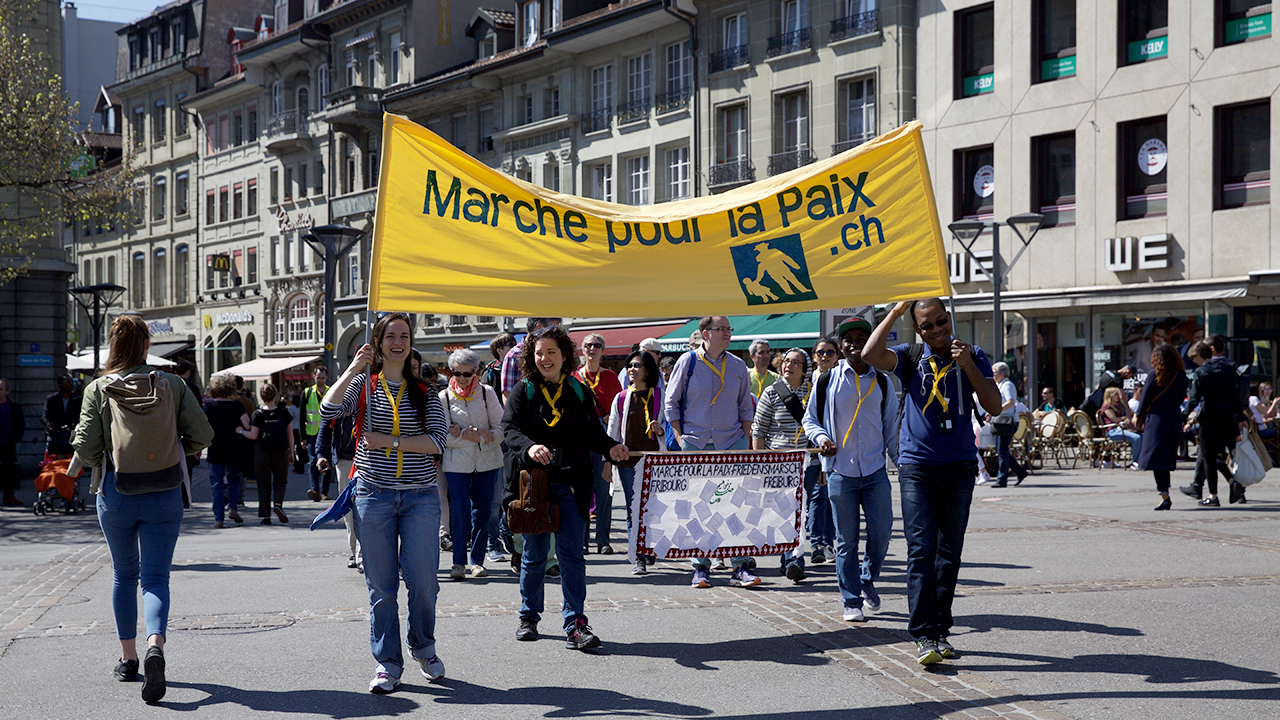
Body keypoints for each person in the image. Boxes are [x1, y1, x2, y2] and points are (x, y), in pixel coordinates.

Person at [71, 315, 213, 703]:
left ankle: (128, 658)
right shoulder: (173, 384)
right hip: (165, 491)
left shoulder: (98, 388)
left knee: (123, 576)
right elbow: (203, 434)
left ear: (113, 345)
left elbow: (84, 449)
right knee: (155, 578)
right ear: (147, 345)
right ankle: (155, 645)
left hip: (116, 492)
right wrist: (167, 450)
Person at [862, 298, 1002, 666]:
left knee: (949, 553)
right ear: (917, 328)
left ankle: (941, 630)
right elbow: (870, 354)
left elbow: (995, 405)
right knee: (921, 550)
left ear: (949, 318)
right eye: (927, 325)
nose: (937, 330)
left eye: (942, 321)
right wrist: (893, 311)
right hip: (917, 467)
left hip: (958, 467)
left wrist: (967, 363)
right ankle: (924, 634)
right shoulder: (910, 356)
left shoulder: (972, 353)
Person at [322, 312, 450, 693]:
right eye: (390, 336)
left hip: (419, 496)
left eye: (404, 335)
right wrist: (350, 370)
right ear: (377, 343)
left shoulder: (424, 391)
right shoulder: (364, 385)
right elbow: (328, 411)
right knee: (381, 587)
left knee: (424, 580)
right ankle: (388, 663)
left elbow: (437, 443)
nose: (398, 342)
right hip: (373, 494)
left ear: (411, 343)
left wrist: (390, 442)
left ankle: (423, 647)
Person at [502, 326, 628, 650]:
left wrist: (612, 447)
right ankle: (528, 616)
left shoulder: (578, 390)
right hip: (535, 486)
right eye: (539, 353)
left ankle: (575, 624)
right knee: (534, 555)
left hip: (571, 484)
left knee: (572, 556)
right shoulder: (524, 390)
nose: (545, 359)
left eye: (551, 353)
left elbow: (594, 434)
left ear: (564, 356)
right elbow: (509, 429)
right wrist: (529, 447)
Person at [803, 320, 899, 621]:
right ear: (840, 346)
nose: (855, 343)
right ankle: (851, 599)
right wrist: (822, 439)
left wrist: (903, 466)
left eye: (862, 338)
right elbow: (810, 420)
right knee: (846, 540)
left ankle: (867, 578)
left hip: (874, 470)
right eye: (848, 339)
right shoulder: (827, 380)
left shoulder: (883, 382)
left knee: (882, 533)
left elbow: (892, 429)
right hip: (840, 471)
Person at [663, 316, 758, 589]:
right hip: (696, 443)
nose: (727, 333)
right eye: (722, 329)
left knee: (735, 506)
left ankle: (740, 565)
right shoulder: (688, 361)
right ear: (706, 333)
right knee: (698, 508)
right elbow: (671, 402)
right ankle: (701, 567)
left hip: (731, 443)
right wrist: (681, 438)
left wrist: (745, 436)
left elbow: (745, 406)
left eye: (729, 329)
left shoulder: (738, 365)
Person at [751, 348, 815, 581]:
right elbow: (759, 429)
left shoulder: (814, 391)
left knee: (801, 511)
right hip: (778, 461)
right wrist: (760, 463)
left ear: (805, 369)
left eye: (795, 362)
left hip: (808, 461)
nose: (789, 365)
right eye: (786, 361)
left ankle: (790, 558)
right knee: (786, 511)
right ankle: (793, 559)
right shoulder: (771, 392)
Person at [440, 349, 504, 580]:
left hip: (487, 462)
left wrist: (481, 436)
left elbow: (502, 430)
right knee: (459, 512)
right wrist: (462, 436)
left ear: (476, 371)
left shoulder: (487, 394)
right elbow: (440, 437)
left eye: (467, 373)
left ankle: (477, 561)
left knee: (483, 512)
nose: (462, 378)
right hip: (456, 465)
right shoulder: (444, 397)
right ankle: (458, 562)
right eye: (456, 373)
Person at [606, 350, 664, 574]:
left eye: (637, 365)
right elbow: (612, 431)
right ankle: (637, 556)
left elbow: (669, 425)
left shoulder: (659, 394)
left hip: (653, 461)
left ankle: (647, 548)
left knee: (650, 508)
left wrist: (660, 431)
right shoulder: (621, 397)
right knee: (633, 508)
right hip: (627, 460)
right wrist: (607, 462)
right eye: (630, 365)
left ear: (648, 370)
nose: (632, 369)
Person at [1180, 336, 1247, 506]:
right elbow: (1235, 395)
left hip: (1209, 418)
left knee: (1209, 458)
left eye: (1194, 358)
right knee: (1229, 455)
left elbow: (1194, 399)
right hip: (1228, 418)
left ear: (1200, 355)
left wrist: (1183, 417)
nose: (1194, 362)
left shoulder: (1201, 372)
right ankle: (1236, 487)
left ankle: (1213, 496)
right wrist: (1240, 417)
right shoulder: (1227, 368)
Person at [573, 333, 623, 555]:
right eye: (587, 346)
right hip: (580, 438)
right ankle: (581, 540)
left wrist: (609, 418)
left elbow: (619, 408)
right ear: (581, 351)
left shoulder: (611, 377)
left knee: (604, 491)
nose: (592, 349)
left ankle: (603, 540)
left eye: (597, 346)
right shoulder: (574, 377)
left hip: (603, 438)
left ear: (603, 351)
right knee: (581, 491)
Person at [1136, 343, 1188, 511]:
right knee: (1165, 458)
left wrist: (1138, 416)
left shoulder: (1154, 375)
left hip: (1157, 420)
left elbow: (1144, 399)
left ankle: (1164, 495)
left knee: (1156, 459)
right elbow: (1181, 397)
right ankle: (1164, 493)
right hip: (1173, 418)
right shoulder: (1181, 375)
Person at [202, 374, 250, 528]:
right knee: (233, 480)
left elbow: (202, 427)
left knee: (216, 484)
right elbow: (248, 425)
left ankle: (218, 518)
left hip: (215, 449)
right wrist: (239, 429)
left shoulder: (208, 407)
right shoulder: (236, 406)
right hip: (233, 448)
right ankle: (233, 507)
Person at [502, 318, 562, 402]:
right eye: (552, 329)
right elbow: (508, 397)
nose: (555, 335)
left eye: (551, 352)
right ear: (539, 327)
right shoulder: (513, 356)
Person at [987, 362, 1028, 488]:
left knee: (1002, 450)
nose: (992, 374)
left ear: (1002, 373)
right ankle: (1020, 472)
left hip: (1007, 422)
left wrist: (997, 410)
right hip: (1000, 421)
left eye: (994, 372)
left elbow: (1010, 402)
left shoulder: (1007, 385)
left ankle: (1002, 478)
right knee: (1001, 450)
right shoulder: (999, 385)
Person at [302, 366, 334, 501]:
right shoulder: (307, 392)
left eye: (323, 378)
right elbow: (302, 414)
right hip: (311, 433)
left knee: (327, 461)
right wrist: (302, 437)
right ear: (313, 377)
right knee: (314, 461)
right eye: (318, 377)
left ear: (326, 378)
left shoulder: (331, 391)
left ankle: (324, 492)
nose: (320, 380)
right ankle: (314, 489)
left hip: (327, 433)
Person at [1099, 386, 1142, 468]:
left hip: (1120, 429)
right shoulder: (1106, 407)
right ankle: (1135, 461)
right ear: (1110, 395)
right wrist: (1124, 418)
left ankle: (1140, 459)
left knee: (1142, 436)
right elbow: (1114, 419)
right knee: (1137, 438)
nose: (1118, 397)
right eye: (1116, 395)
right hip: (1112, 431)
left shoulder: (1115, 406)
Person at [0, 378, 27, 506]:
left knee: (9, 471)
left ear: (7, 391)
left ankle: (8, 496)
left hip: (8, 444)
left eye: (0, 389)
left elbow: (20, 424)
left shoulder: (14, 407)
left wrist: (15, 438)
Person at [43, 373, 82, 457]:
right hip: (56, 435)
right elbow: (45, 416)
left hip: (72, 435)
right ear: (60, 384)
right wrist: (49, 425)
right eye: (67, 382)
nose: (71, 384)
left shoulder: (78, 400)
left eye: (72, 381)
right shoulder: (52, 399)